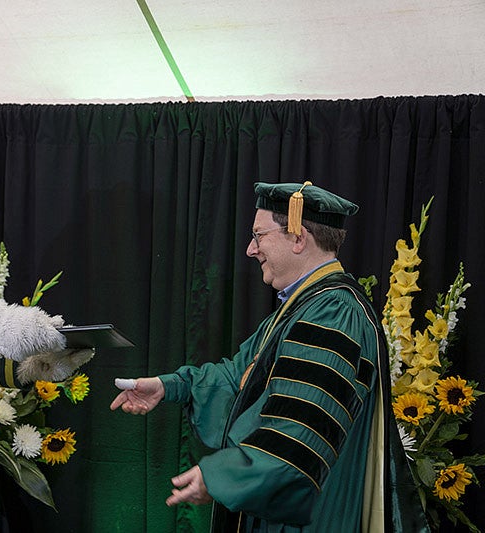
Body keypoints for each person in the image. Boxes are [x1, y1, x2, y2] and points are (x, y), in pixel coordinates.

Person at [110, 181, 427, 532]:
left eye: (259, 236)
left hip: (312, 517)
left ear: (298, 238)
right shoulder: (303, 307)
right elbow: (239, 378)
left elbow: (300, 429)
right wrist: (169, 386)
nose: (250, 249)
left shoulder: (333, 313)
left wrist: (225, 477)